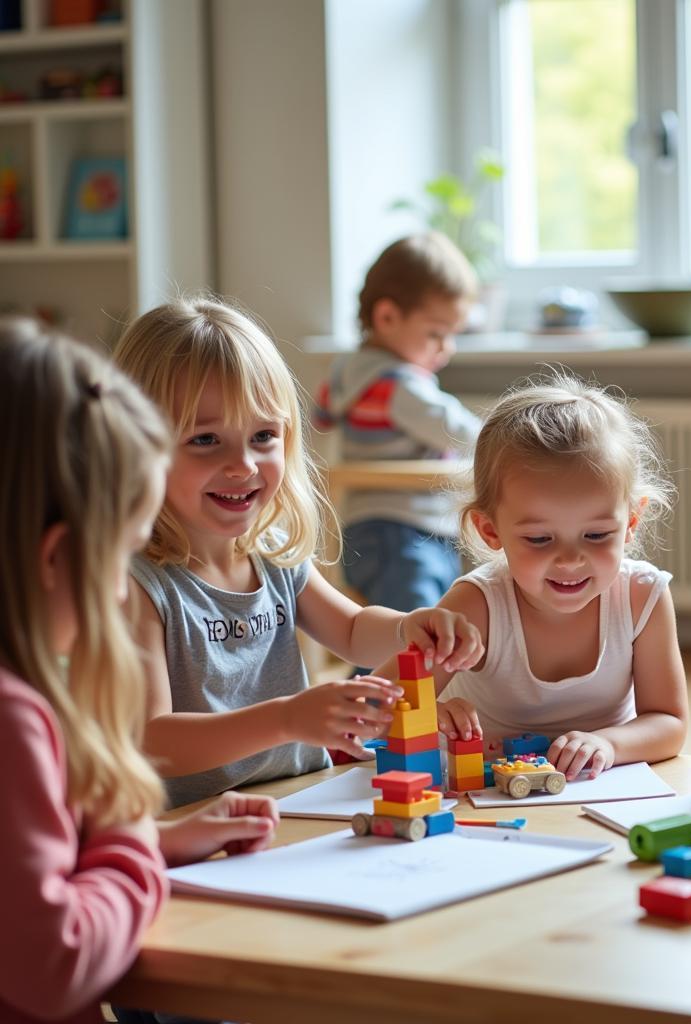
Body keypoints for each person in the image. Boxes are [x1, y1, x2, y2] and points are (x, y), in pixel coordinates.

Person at [0, 321, 279, 1024]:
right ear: (57, 557)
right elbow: (53, 963)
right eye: (122, 557)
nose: (126, 590)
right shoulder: (13, 718)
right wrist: (130, 843)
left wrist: (159, 838)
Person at [113, 296, 484, 808]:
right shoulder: (138, 585)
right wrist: (287, 719)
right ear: (137, 448)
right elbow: (151, 743)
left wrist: (408, 629)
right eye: (205, 439)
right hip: (197, 830)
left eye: (263, 435)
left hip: (299, 800)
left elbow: (353, 631)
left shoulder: (271, 556)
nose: (243, 465)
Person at [378, 372, 688, 781]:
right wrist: (427, 714)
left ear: (631, 522)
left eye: (596, 535)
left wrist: (610, 743)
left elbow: (668, 722)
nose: (570, 560)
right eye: (540, 539)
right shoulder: (477, 606)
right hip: (481, 799)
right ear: (490, 531)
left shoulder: (641, 596)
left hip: (593, 796)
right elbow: (372, 707)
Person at [315, 232, 482, 613]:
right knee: (412, 634)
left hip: (362, 531)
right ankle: (387, 677)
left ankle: (374, 675)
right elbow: (462, 432)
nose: (447, 348)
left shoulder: (345, 373)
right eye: (436, 334)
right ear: (387, 317)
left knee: (387, 631)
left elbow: (320, 417)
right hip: (408, 533)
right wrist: (509, 438)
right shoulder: (401, 387)